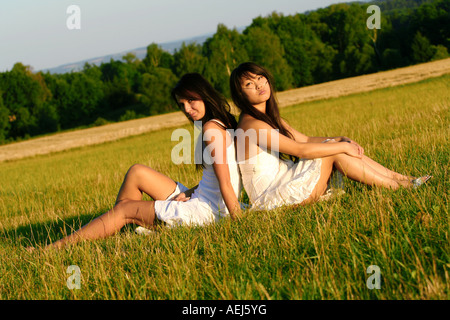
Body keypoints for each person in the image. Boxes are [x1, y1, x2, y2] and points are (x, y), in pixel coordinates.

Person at [46, 73, 242, 249]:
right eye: (182, 104)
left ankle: (55, 248)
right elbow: (220, 176)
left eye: (191, 100)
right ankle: (121, 224)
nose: (187, 109)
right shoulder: (222, 121)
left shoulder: (211, 129)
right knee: (137, 172)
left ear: (204, 94)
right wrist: (190, 192)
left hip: (205, 212)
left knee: (123, 209)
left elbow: (225, 182)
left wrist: (239, 224)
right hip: (203, 199)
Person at [229, 62, 431, 210]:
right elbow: (300, 150)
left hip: (282, 181)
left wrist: (339, 139)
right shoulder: (252, 125)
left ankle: (402, 179)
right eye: (249, 84)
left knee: (332, 146)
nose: (259, 85)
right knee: (333, 152)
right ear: (241, 95)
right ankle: (397, 187)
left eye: (260, 78)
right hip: (273, 197)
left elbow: (305, 140)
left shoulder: (265, 117)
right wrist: (340, 147)